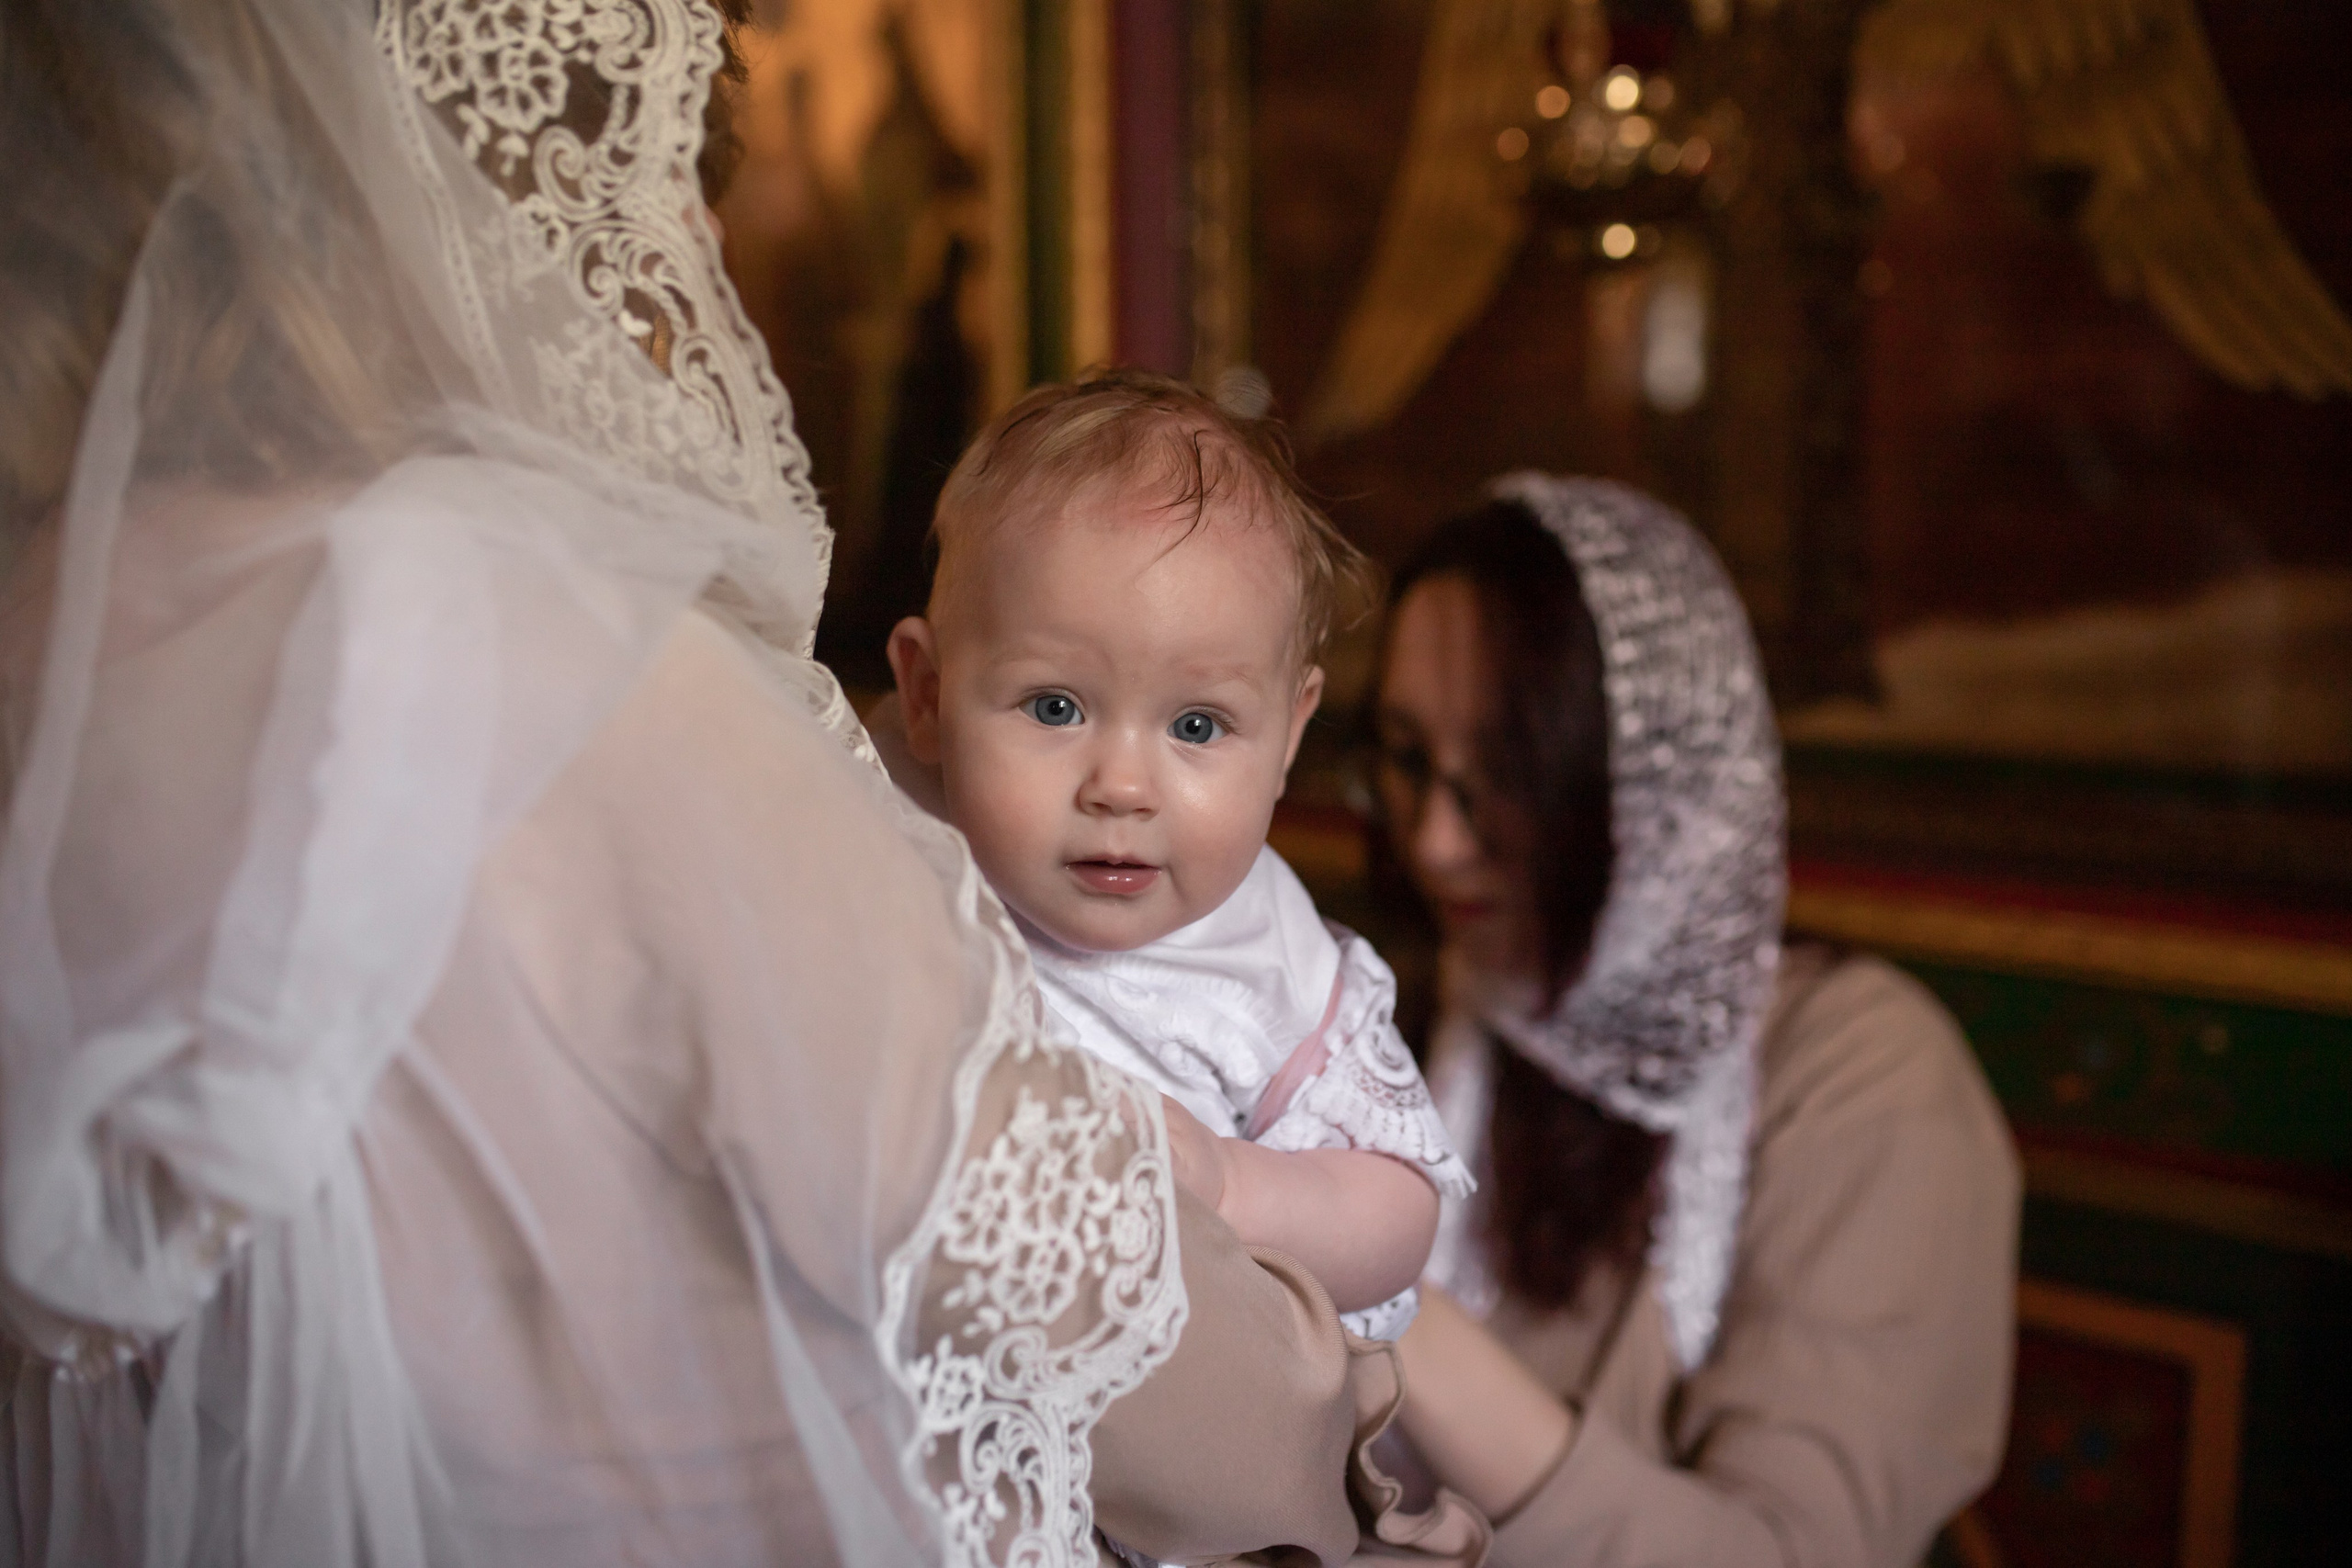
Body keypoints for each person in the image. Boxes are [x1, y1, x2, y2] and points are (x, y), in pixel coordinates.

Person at [0, 4, 1448, 1565]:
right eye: (683, 201)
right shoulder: (565, 659)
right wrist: (1359, 1463)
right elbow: (1061, 1292)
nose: (707, 289)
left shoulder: (59, 646)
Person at [1367, 475, 2020, 1567]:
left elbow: (1786, 1553)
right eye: (1403, 758)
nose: (1434, 840)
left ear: (1661, 777)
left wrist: (1376, 1300)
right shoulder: (1401, 1009)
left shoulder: (1862, 1069)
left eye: (1507, 770)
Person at [878, 373, 1474, 1343]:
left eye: (1197, 725)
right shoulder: (884, 838)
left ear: (1288, 735)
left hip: (1168, 1419)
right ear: (927, 696)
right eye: (1055, 706)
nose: (1122, 785)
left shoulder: (1275, 967)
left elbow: (1398, 1213)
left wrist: (1231, 1183)